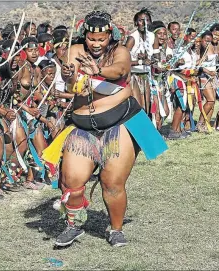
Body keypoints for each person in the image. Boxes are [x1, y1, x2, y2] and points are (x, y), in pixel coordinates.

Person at [42, 10, 167, 248]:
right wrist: (69, 74)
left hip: (119, 125)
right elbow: (70, 81)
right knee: (72, 180)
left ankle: (116, 230)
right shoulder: (75, 51)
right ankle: (73, 225)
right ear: (84, 35)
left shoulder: (120, 52)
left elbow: (119, 70)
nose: (96, 44)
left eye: (101, 39)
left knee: (112, 183)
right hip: (81, 127)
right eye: (91, 38)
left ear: (111, 35)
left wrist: (97, 71)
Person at [125, 8, 154, 111]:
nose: (144, 23)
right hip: (134, 76)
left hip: (147, 75)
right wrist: (140, 62)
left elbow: (155, 55)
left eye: (146, 20)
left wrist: (154, 61)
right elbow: (123, 61)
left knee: (147, 107)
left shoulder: (152, 36)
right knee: (138, 107)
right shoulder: (132, 38)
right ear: (136, 23)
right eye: (141, 20)